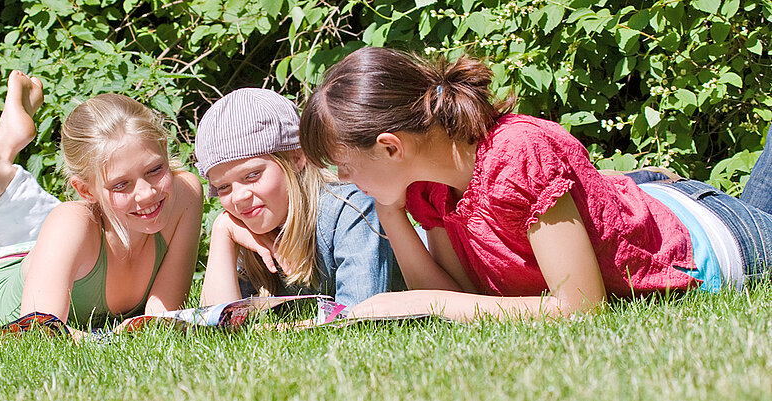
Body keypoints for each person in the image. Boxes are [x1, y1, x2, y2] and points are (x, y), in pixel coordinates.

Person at [298, 47, 772, 321]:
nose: (343, 179)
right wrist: (389, 210)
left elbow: (581, 305)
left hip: (719, 240)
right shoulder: (427, 187)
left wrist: (430, 301)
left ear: (390, 147)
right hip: (648, 206)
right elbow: (469, 298)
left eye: (343, 163)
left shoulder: (519, 152)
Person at [0, 71, 202, 335]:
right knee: (64, 223)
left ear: (164, 150)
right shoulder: (73, 221)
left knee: (63, 230)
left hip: (46, 257)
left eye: (154, 170)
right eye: (120, 184)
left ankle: (2, 155)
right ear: (84, 190)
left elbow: (160, 320)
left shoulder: (184, 193)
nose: (146, 193)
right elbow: (39, 334)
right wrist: (109, 340)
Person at [194, 88, 406, 308]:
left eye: (252, 175)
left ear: (297, 158)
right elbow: (217, 323)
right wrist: (222, 232)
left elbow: (360, 314)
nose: (238, 197)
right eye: (223, 187)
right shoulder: (246, 225)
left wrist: (285, 329)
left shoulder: (349, 208)